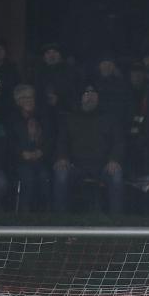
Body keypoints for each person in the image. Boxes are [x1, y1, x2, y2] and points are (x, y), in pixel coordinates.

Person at [53, 84, 125, 213]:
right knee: (61, 172)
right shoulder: (70, 118)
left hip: (103, 165)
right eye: (86, 93)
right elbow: (62, 141)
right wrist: (62, 157)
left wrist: (114, 159)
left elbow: (118, 142)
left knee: (116, 174)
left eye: (93, 93)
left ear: (98, 97)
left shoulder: (110, 118)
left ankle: (116, 219)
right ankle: (59, 217)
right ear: (80, 98)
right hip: (76, 165)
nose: (90, 97)